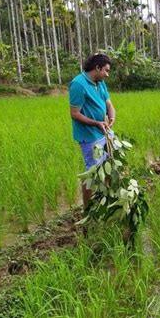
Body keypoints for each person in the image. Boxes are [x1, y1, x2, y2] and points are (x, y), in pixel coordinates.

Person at [69, 54, 115, 211]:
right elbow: (75, 113)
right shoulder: (78, 84)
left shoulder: (99, 83)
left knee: (111, 164)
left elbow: (108, 103)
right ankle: (88, 210)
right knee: (92, 173)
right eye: (106, 71)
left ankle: (107, 198)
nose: (107, 75)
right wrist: (96, 123)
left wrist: (112, 116)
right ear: (97, 67)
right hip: (89, 136)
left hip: (105, 131)